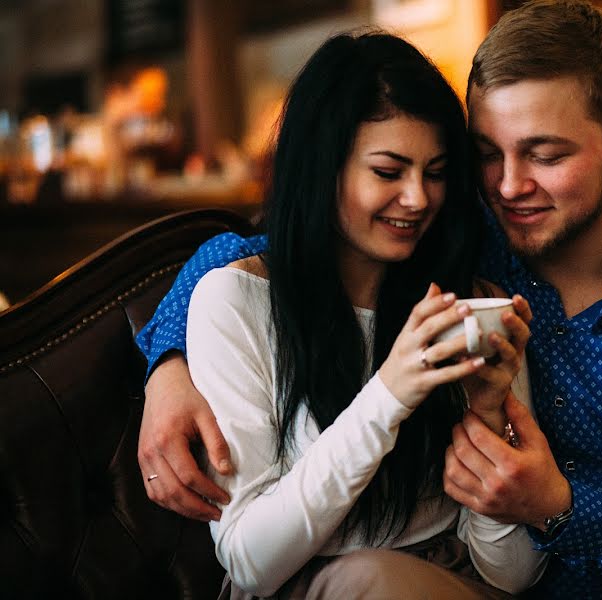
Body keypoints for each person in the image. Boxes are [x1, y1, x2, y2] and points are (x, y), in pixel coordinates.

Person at [137, 2, 602, 598]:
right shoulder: (459, 242)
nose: (509, 185)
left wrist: (556, 507)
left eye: (545, 154)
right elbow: (260, 252)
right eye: (484, 156)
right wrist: (166, 367)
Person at [141, 30, 547, 599]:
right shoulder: (233, 299)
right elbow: (250, 561)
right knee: (372, 582)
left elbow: (512, 574)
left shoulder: (468, 300)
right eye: (388, 171)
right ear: (322, 168)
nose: (418, 198)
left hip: (450, 582)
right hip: (309, 584)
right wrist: (389, 395)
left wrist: (485, 416)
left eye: (435, 173)